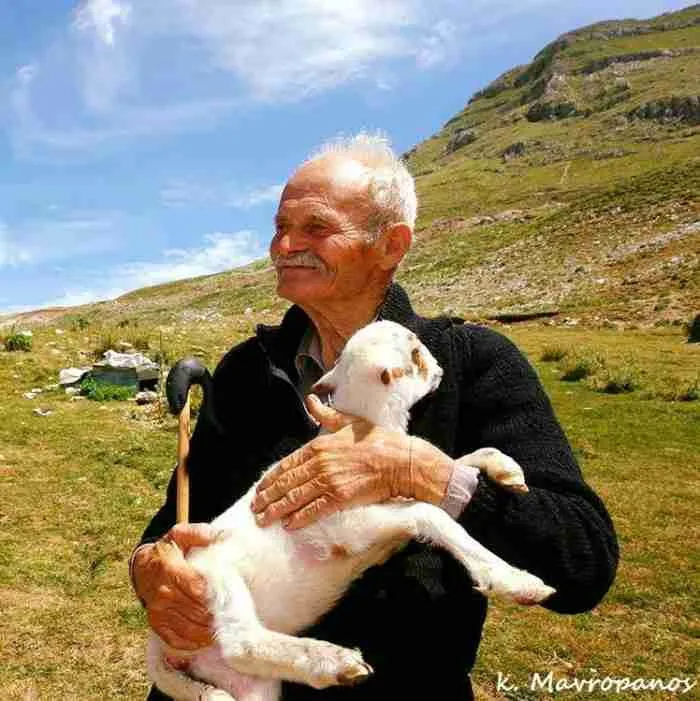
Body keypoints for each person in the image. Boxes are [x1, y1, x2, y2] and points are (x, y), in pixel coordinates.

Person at [130, 133, 618, 700]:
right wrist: (151, 569)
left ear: (391, 245)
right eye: (279, 227)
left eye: (315, 228)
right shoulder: (247, 371)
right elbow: (175, 522)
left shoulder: (474, 363)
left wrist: (426, 475)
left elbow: (583, 562)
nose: (285, 245)